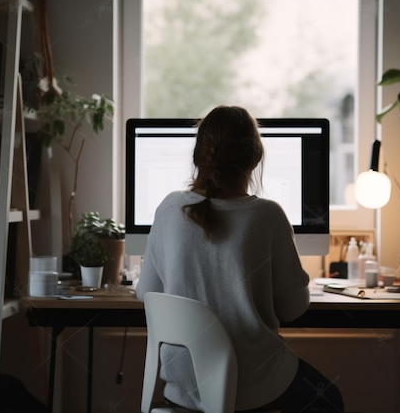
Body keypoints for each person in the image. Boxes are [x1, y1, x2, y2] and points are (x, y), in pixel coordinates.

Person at [135, 105, 344, 412]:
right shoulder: (267, 215)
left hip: (184, 387)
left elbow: (146, 292)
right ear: (255, 158)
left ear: (198, 158)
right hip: (251, 385)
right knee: (330, 400)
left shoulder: (169, 209)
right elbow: (294, 308)